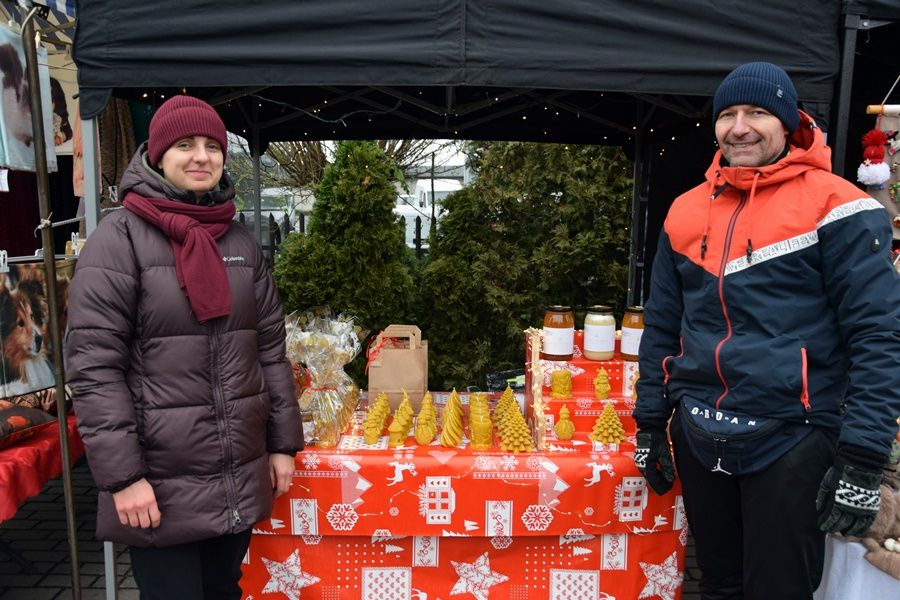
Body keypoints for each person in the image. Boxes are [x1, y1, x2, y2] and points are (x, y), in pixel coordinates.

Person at [633, 62, 900, 599]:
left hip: (793, 436)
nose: (740, 126)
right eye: (728, 114)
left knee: (778, 590)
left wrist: (864, 459)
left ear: (788, 120)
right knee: (719, 584)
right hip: (700, 429)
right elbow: (662, 326)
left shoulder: (841, 206)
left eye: (757, 112)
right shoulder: (685, 210)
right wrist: (649, 421)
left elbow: (878, 336)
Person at [65, 95, 303, 600]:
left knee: (223, 590)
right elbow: (93, 368)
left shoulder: (239, 242)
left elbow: (270, 352)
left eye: (212, 146)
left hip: (236, 473)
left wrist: (283, 443)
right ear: (156, 155)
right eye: (185, 145)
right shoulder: (119, 239)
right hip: (158, 481)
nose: (201, 157)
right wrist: (123, 476)